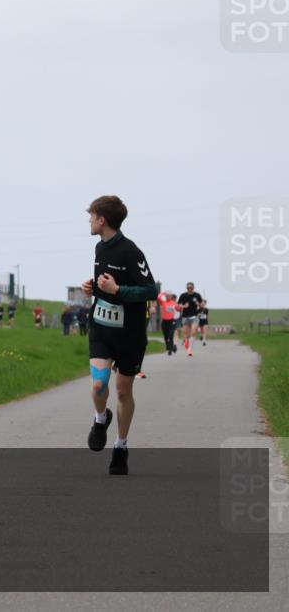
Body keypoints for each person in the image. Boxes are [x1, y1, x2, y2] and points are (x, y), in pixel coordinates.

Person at [81, 195, 156, 475]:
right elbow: (106, 284)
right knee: (99, 385)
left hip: (130, 335)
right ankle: (101, 419)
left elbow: (150, 290)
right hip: (101, 329)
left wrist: (118, 290)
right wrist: (93, 288)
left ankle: (121, 446)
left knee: (123, 390)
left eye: (91, 217)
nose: (89, 221)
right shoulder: (99, 247)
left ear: (102, 220)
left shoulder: (130, 251)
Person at [177, 282, 204, 356]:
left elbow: (202, 305)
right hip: (185, 317)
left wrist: (199, 304)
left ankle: (190, 349)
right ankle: (186, 342)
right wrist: (183, 306)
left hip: (194, 316)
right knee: (186, 334)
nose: (189, 289)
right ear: (186, 288)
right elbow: (178, 305)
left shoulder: (197, 295)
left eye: (191, 288)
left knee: (193, 332)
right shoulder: (183, 295)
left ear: (193, 288)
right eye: (188, 288)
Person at [158, 291, 180, 355]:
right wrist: (164, 293)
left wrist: (179, 307)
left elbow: (178, 309)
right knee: (166, 336)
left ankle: (170, 349)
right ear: (165, 296)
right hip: (164, 321)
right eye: (167, 296)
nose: (168, 297)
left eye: (169, 296)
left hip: (171, 321)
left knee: (170, 335)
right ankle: (168, 345)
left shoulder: (174, 303)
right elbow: (158, 297)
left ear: (171, 296)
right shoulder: (163, 302)